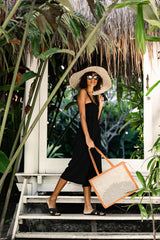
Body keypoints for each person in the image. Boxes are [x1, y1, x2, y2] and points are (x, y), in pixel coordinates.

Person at [47, 66, 112, 216]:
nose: (93, 80)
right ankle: (52, 198)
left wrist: (100, 106)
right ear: (84, 79)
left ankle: (88, 206)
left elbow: (94, 120)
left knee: (90, 170)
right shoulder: (82, 93)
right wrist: (88, 138)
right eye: (90, 77)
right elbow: (82, 118)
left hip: (95, 135)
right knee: (75, 166)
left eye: (96, 77)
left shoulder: (95, 96)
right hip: (85, 136)